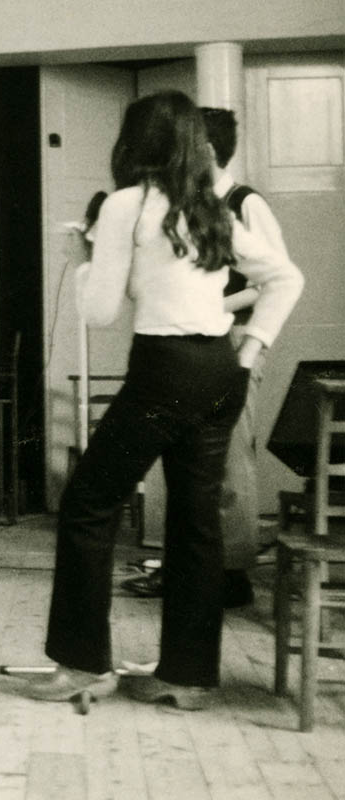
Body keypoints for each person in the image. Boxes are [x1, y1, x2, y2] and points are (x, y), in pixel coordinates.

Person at [28, 91, 303, 708]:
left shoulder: (128, 204)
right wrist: (251, 348)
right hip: (217, 372)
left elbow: (99, 313)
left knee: (87, 504)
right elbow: (287, 276)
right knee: (195, 523)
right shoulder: (209, 208)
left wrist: (83, 258)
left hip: (162, 371)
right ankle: (188, 676)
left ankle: (82, 667)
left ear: (134, 143)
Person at [122, 106, 291, 608]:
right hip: (190, 345)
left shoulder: (246, 203)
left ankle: (232, 575)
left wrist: (212, 306)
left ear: (206, 150)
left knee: (229, 465)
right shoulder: (186, 205)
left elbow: (274, 278)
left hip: (235, 339)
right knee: (192, 468)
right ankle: (191, 571)